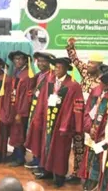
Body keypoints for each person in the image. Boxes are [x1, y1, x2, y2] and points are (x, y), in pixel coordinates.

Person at [34, 57, 83, 188]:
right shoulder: (50, 81)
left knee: (60, 151)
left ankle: (59, 176)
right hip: (48, 121)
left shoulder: (73, 85)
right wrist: (38, 118)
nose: (56, 70)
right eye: (55, 67)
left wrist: (73, 126)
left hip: (63, 124)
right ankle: (48, 171)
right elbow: (41, 102)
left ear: (67, 69)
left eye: (59, 67)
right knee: (47, 147)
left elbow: (78, 107)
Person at [66, 37, 104, 181]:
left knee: (91, 147)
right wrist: (71, 46)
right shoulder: (85, 73)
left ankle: (90, 175)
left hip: (93, 119)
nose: (88, 65)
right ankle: (76, 173)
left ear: (99, 66)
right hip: (79, 115)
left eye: (92, 63)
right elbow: (74, 59)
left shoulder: (104, 81)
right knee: (78, 145)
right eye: (88, 62)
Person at [78, 64, 108, 191]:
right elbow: (88, 110)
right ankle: (89, 179)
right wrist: (89, 127)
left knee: (99, 158)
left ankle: (96, 182)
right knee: (89, 155)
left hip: (103, 134)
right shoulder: (96, 91)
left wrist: (100, 131)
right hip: (92, 131)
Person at [24, 51, 54, 169]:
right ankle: (36, 158)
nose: (40, 63)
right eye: (39, 61)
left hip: (43, 111)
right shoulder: (39, 75)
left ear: (49, 63)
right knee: (35, 135)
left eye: (44, 61)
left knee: (41, 136)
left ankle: (41, 161)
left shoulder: (50, 76)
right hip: (35, 109)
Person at [8, 51, 33, 167]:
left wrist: (20, 113)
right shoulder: (17, 72)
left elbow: (27, 97)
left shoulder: (27, 75)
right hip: (14, 107)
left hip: (20, 110)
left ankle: (20, 158)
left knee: (19, 133)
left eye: (20, 59)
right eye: (15, 59)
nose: (17, 61)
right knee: (14, 132)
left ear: (25, 61)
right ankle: (15, 153)